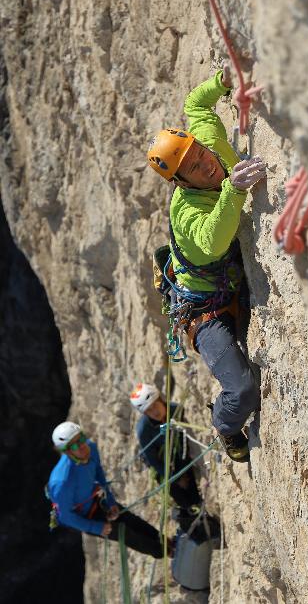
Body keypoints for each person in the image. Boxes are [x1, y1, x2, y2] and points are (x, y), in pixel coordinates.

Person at [147, 64, 266, 462]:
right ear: (181, 183)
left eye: (201, 153)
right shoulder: (185, 213)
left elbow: (195, 103)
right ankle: (225, 425)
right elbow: (212, 242)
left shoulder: (207, 140)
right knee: (242, 391)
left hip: (228, 283)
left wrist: (223, 82)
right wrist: (232, 191)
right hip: (204, 312)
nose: (208, 163)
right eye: (196, 167)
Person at [48, 421, 170, 558]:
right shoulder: (61, 481)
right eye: (75, 445)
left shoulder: (90, 448)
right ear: (66, 451)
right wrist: (96, 528)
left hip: (96, 500)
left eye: (81, 439)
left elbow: (99, 473)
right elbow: (66, 517)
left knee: (130, 519)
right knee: (125, 534)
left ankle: (167, 542)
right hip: (85, 516)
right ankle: (164, 552)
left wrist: (111, 501)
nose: (82, 445)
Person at [130, 383, 219, 541]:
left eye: (154, 406)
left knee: (192, 493)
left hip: (179, 456)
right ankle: (194, 524)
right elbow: (152, 460)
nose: (154, 412)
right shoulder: (144, 430)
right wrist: (175, 478)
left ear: (161, 399)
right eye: (148, 411)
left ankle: (205, 525)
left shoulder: (176, 410)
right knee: (180, 496)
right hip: (161, 466)